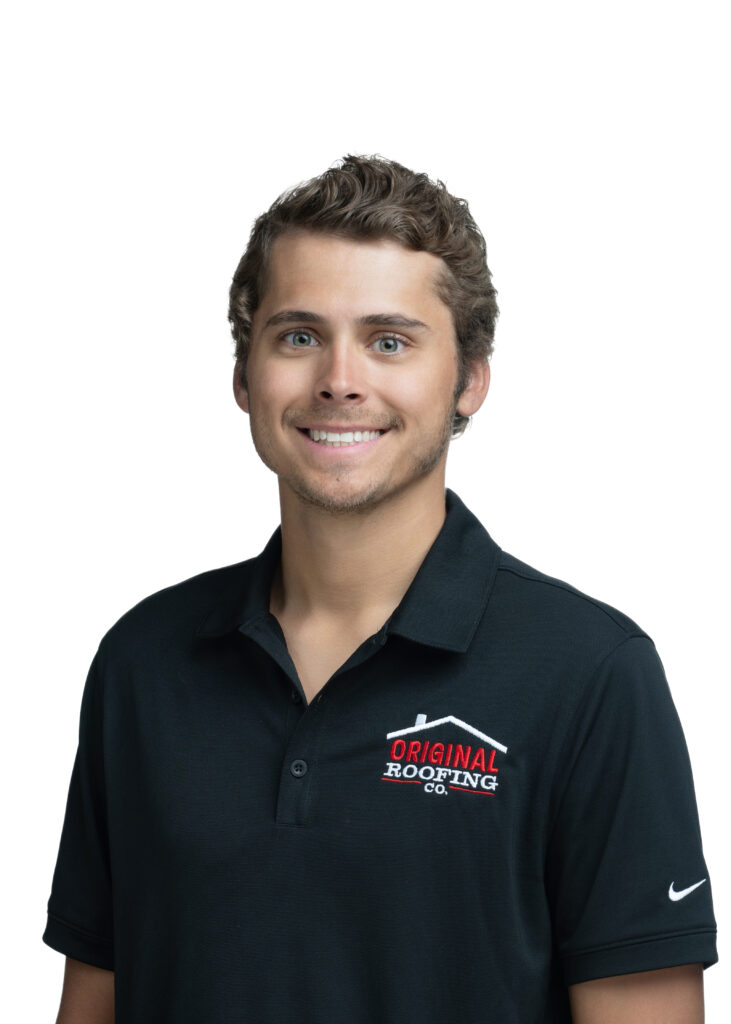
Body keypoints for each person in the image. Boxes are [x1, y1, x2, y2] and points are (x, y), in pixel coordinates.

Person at [44, 155, 717, 1023]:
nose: (339, 379)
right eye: (297, 336)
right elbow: (95, 998)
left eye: (388, 341)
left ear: (469, 379)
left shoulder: (590, 673)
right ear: (245, 376)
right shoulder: (143, 659)